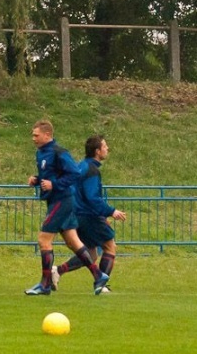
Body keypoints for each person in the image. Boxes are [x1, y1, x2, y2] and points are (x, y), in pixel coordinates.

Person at [25, 121, 109, 296]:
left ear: (47, 135)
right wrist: (37, 179)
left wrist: (54, 185)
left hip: (62, 200)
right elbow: (50, 175)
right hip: (54, 200)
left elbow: (74, 173)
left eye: (36, 135)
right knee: (73, 242)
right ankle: (99, 275)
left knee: (44, 239)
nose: (33, 138)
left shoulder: (59, 152)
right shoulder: (41, 153)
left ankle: (45, 284)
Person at [52, 135, 126, 293]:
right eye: (104, 146)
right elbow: (92, 197)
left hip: (77, 214)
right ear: (97, 151)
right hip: (88, 215)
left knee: (90, 254)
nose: (107, 149)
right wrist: (111, 211)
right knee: (110, 246)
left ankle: (57, 271)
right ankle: (101, 283)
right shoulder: (92, 170)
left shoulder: (81, 166)